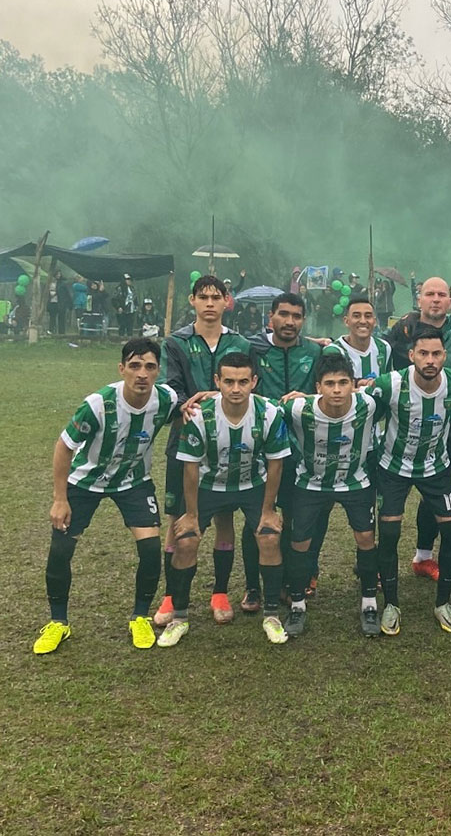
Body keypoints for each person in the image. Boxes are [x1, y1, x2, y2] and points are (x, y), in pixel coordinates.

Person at [32, 338, 178, 654]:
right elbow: (64, 446)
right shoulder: (98, 405)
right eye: (135, 366)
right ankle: (58, 623)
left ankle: (140, 617)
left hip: (133, 481)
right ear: (121, 368)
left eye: (150, 367)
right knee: (61, 549)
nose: (142, 374)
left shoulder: (166, 398)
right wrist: (60, 499)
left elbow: (185, 411)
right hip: (85, 482)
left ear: (158, 371)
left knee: (150, 549)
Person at [364, 328, 451, 635]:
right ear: (412, 356)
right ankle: (391, 604)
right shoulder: (391, 383)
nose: (430, 360)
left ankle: (442, 603)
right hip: (393, 468)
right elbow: (357, 402)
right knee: (389, 533)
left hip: (435, 468)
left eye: (436, 354)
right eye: (423, 353)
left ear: (444, 356)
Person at [159, 352, 291, 647]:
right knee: (186, 541)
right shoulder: (198, 415)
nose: (235, 388)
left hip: (253, 484)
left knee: (270, 537)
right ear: (217, 381)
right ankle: (179, 617)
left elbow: (276, 464)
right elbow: (190, 468)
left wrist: (268, 510)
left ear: (254, 382)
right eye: (229, 381)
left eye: (243, 381)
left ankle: (271, 615)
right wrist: (191, 514)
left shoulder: (269, 413)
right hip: (209, 485)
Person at [152, 275, 254, 628]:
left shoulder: (241, 342)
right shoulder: (175, 342)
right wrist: (188, 403)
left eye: (216, 297)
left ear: (227, 301)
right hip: (185, 442)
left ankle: (220, 593)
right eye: (203, 297)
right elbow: (168, 389)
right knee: (178, 520)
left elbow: (249, 384)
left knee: (225, 518)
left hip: (229, 444)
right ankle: (170, 596)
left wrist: (218, 395)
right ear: (192, 300)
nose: (210, 303)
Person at [281, 353, 382, 636]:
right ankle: (297, 605)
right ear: (318, 387)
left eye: (343, 383)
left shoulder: (368, 404)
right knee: (300, 542)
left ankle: (369, 604)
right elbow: (260, 407)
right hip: (311, 483)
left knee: (366, 538)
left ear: (353, 385)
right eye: (329, 384)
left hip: (355, 481)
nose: (337, 390)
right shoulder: (298, 409)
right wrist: (212, 396)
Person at [385, 277, 451, 581]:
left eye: (441, 294)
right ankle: (378, 560)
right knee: (391, 500)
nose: (435, 299)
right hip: (402, 428)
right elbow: (374, 348)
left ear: (450, 300)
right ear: (419, 299)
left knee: (433, 495)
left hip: (445, 428)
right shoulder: (403, 328)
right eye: (429, 294)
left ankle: (423, 556)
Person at [249, 293, 322, 607]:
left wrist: (307, 397)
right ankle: (253, 586)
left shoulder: (315, 352)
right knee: (258, 518)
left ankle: (296, 579)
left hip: (302, 450)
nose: (289, 321)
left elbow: (330, 387)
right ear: (271, 318)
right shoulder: (253, 349)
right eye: (283, 314)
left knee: (296, 518)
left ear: (303, 320)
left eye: (296, 316)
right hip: (260, 450)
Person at [324, 296, 393, 384]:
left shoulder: (384, 348)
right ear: (346, 321)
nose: (363, 321)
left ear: (375, 322)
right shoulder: (334, 351)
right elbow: (333, 388)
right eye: (356, 316)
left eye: (368, 316)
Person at [114, 274, 138, 338]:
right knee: (122, 325)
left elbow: (135, 298)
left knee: (130, 326)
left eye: (130, 279)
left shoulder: (132, 289)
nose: (129, 281)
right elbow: (114, 299)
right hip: (122, 310)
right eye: (127, 279)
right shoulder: (119, 289)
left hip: (131, 310)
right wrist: (118, 307)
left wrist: (136, 306)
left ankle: (129, 338)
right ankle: (121, 338)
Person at [48, 271, 72, 335]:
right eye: (57, 274)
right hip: (52, 302)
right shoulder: (49, 283)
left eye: (59, 274)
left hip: (61, 303)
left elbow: (67, 294)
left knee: (61, 318)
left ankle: (61, 332)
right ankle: (51, 330)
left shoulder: (63, 284)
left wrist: (69, 304)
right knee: (52, 317)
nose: (58, 275)